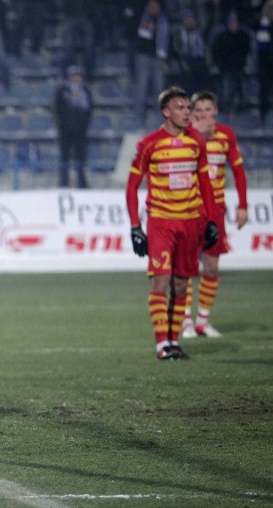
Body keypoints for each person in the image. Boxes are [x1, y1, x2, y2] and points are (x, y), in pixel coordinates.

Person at [125, 86, 220, 361]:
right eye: (181, 108)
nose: (187, 112)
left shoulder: (197, 141)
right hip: (161, 223)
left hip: (190, 223)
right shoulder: (149, 144)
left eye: (188, 108)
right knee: (160, 281)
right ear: (166, 112)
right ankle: (161, 345)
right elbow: (132, 188)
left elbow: (205, 183)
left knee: (181, 285)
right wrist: (135, 227)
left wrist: (211, 221)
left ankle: (174, 342)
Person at [181, 90, 249, 339]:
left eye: (207, 109)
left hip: (216, 211)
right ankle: (185, 320)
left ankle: (203, 321)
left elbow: (238, 171)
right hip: (189, 208)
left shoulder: (226, 135)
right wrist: (197, 134)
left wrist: (243, 205)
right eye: (198, 110)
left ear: (216, 111)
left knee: (211, 265)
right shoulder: (185, 135)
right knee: (187, 265)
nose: (203, 114)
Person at [52, 65, 93, 188]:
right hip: (65, 130)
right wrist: (61, 124)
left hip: (81, 130)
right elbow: (56, 109)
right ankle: (64, 182)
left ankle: (82, 182)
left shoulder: (85, 91)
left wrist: (85, 124)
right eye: (73, 76)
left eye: (77, 76)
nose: (76, 78)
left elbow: (90, 109)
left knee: (80, 157)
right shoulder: (62, 91)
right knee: (65, 156)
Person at [210, 12, 252, 114]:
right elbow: (215, 52)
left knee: (243, 91)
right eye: (231, 23)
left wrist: (247, 65)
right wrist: (217, 64)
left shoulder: (243, 36)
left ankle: (243, 109)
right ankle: (226, 110)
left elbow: (248, 51)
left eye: (235, 23)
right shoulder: (221, 38)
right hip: (226, 68)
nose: (233, 25)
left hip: (240, 68)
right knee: (227, 91)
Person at [254, 0, 273, 125]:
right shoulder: (263, 25)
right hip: (266, 63)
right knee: (264, 90)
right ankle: (263, 117)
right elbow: (263, 47)